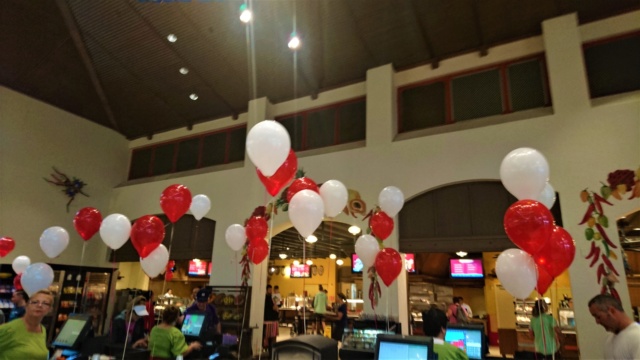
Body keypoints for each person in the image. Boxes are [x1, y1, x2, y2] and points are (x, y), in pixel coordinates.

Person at [0, 289, 54, 360]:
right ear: (26, 305)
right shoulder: (10, 329)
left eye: (45, 303)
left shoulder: (42, 330)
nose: (39, 305)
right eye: (35, 302)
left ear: (50, 309)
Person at [588, 294, 640, 360]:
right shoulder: (609, 340)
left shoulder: (637, 336)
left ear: (612, 311)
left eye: (598, 317)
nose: (597, 322)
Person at [263, 285, 279, 352]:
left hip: (271, 319)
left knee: (271, 336)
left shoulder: (271, 297)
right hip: (269, 319)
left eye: (271, 289)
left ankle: (270, 348)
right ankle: (271, 348)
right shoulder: (268, 298)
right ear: (266, 290)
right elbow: (274, 307)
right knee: (270, 336)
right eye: (269, 289)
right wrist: (276, 308)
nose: (270, 290)